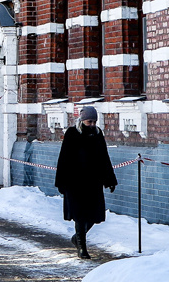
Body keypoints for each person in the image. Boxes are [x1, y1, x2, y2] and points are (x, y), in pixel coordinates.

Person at [54, 105, 117, 259]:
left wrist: (110, 179)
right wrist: (61, 182)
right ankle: (82, 247)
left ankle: (77, 238)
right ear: (82, 121)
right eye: (89, 122)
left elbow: (104, 157)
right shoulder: (72, 133)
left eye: (94, 122)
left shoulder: (97, 134)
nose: (92, 125)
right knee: (80, 215)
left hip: (93, 182)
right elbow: (64, 158)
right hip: (75, 182)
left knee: (95, 215)